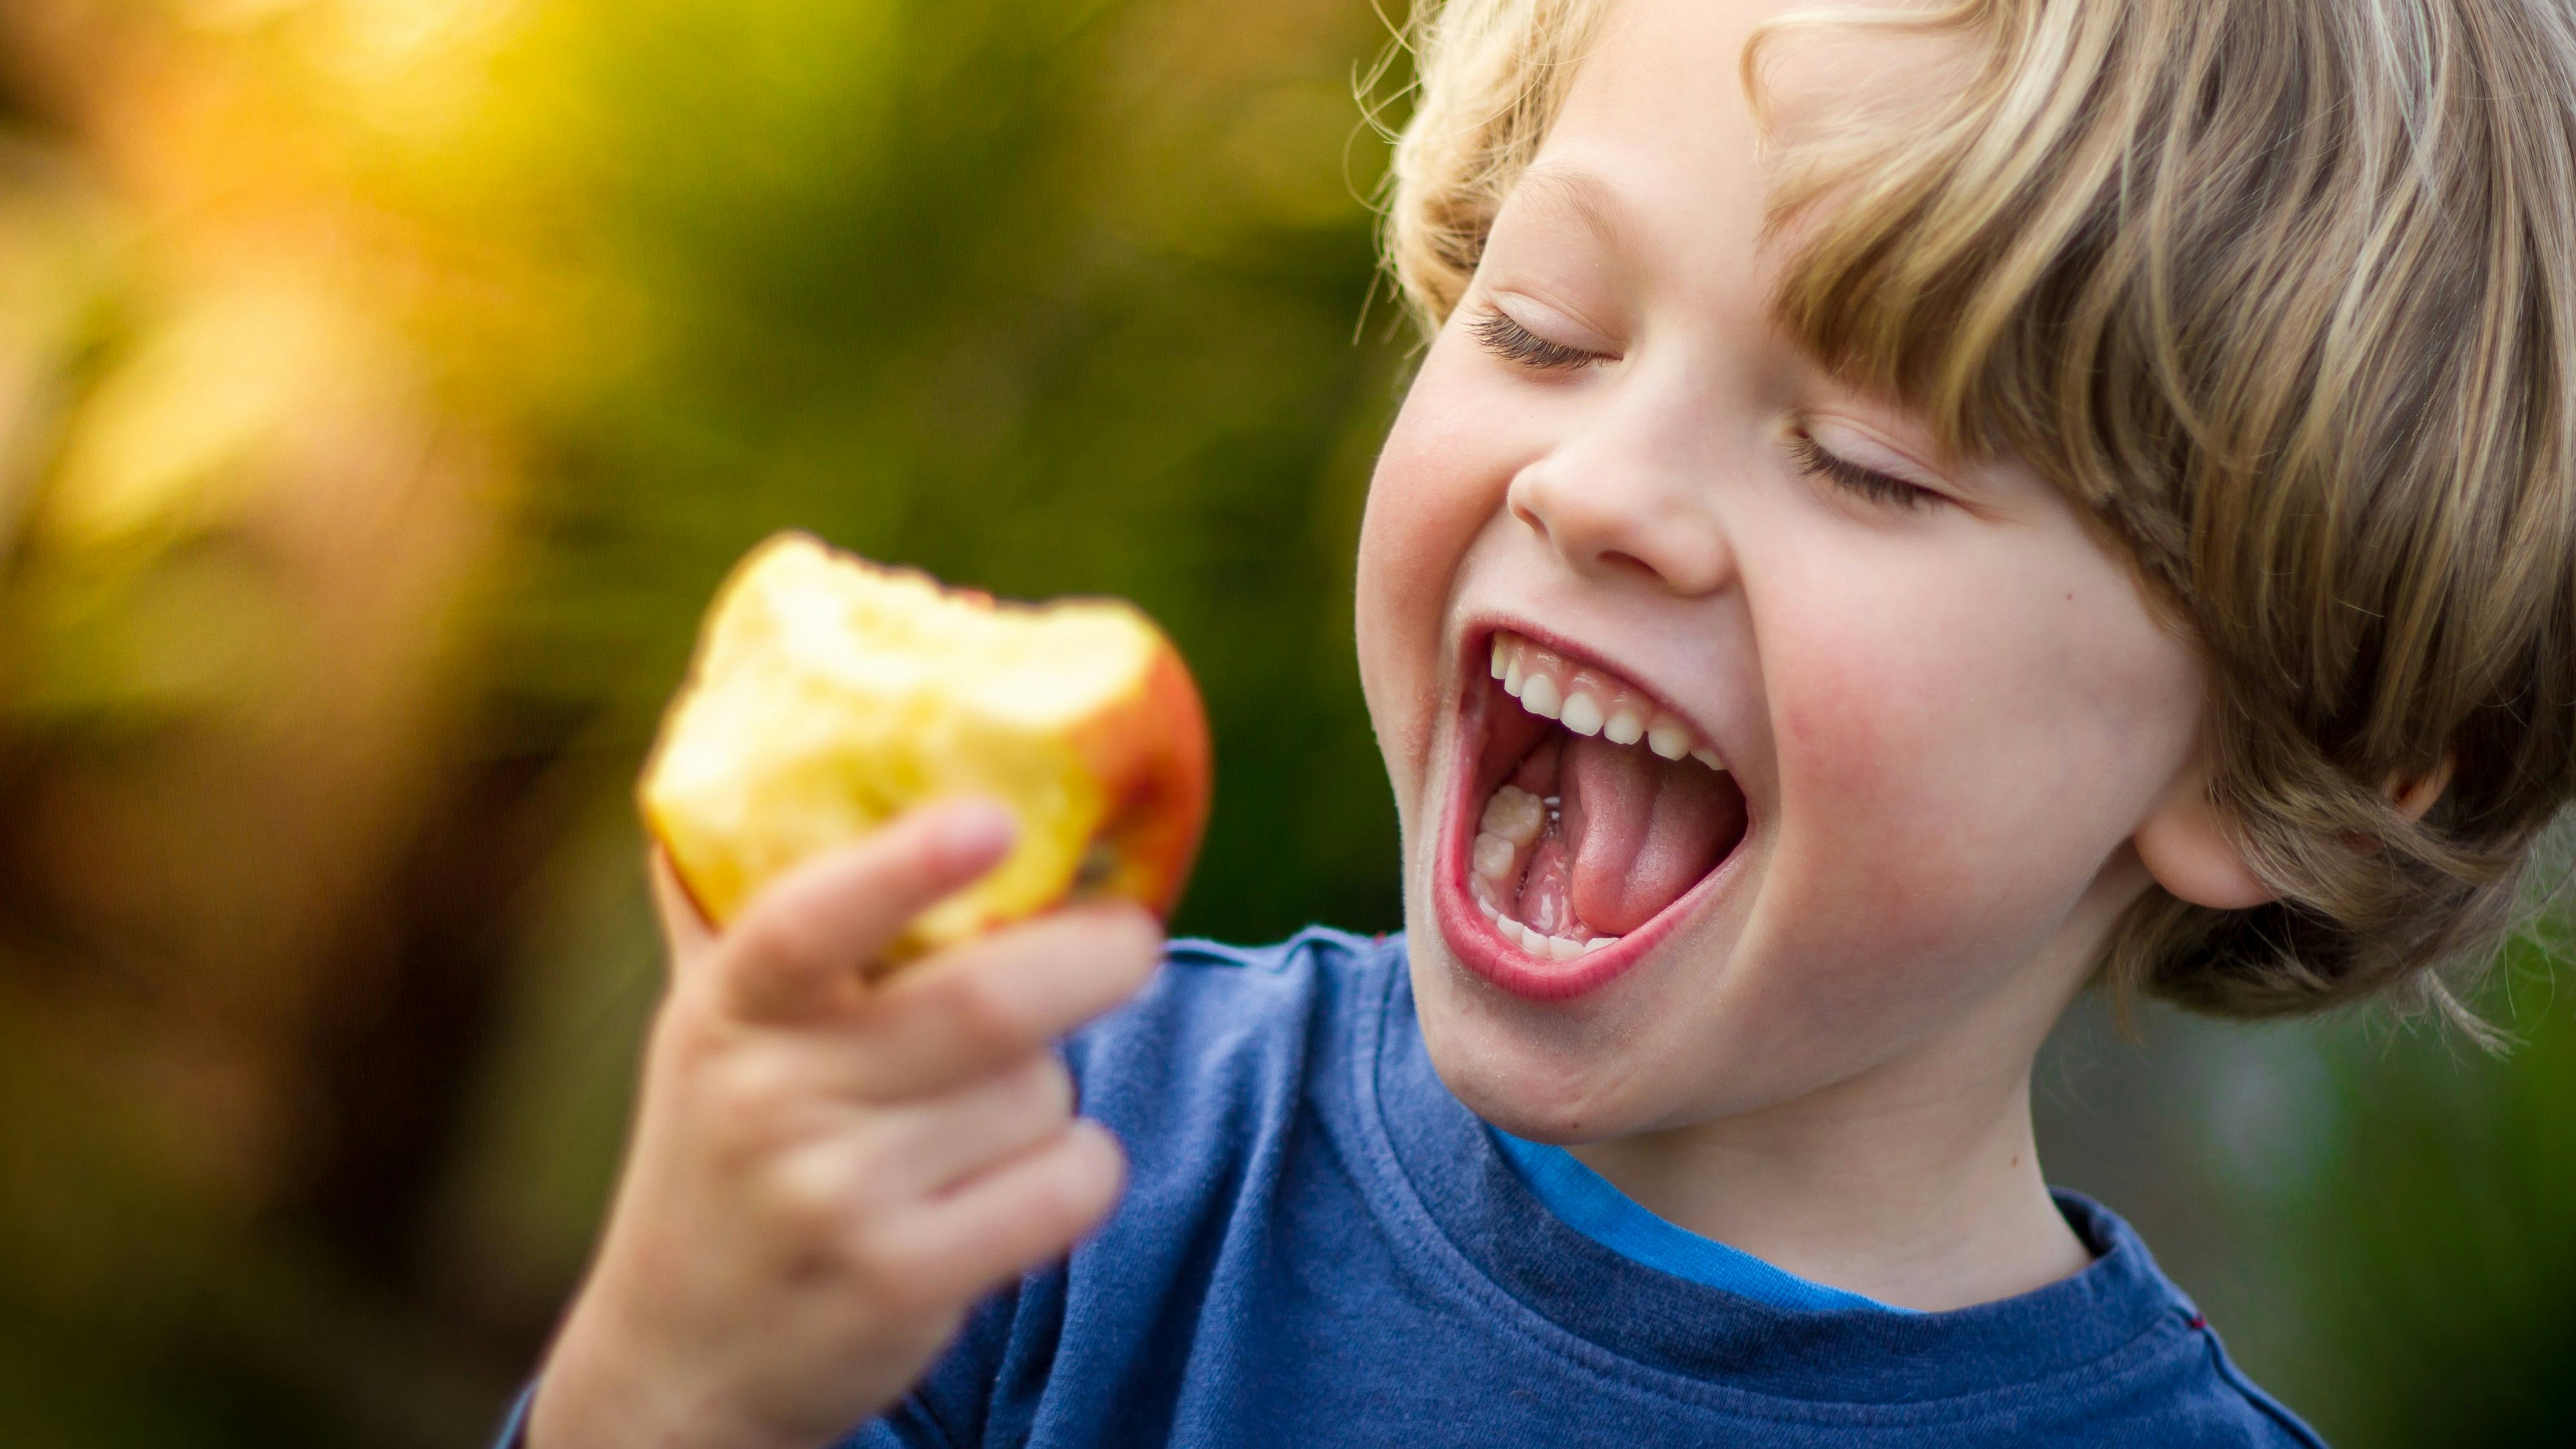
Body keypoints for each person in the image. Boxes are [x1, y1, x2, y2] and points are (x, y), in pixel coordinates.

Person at [507, 0, 2576, 1443]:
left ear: (2276, 747)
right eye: (1540, 323)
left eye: (1866, 456)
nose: (1589, 486)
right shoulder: (1042, 1168)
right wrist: (679, 1387)